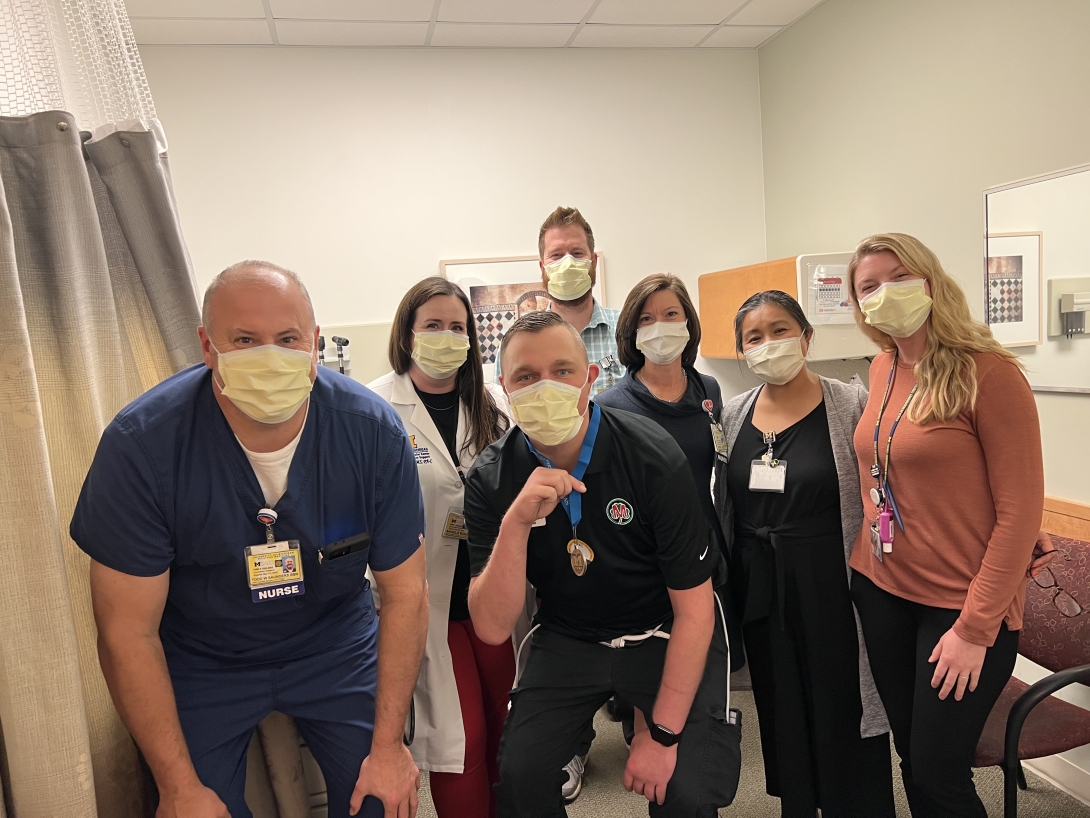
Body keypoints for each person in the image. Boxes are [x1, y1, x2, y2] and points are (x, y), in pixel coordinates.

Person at [70, 261, 428, 818]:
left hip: (333, 644)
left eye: (287, 339)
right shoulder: (143, 448)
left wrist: (389, 749)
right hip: (203, 656)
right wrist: (178, 787)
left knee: (381, 798)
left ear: (314, 344)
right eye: (244, 340)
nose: (269, 356)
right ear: (208, 347)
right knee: (193, 808)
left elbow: (406, 594)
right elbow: (126, 631)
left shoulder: (371, 434)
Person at [464, 310, 737, 818]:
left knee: (684, 788)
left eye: (563, 370)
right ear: (503, 386)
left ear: (590, 378)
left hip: (664, 629)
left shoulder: (654, 457)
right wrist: (516, 524)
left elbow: (696, 614)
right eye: (525, 376)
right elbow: (492, 626)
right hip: (569, 635)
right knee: (520, 777)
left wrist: (661, 734)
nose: (545, 386)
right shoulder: (491, 478)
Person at [845, 234, 1045, 818]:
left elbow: (1019, 513)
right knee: (911, 757)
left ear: (931, 280)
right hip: (883, 591)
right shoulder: (882, 366)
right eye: (869, 287)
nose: (886, 293)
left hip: (959, 610)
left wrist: (975, 629)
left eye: (898, 276)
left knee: (938, 773)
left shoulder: (990, 373)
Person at [712, 290, 895, 818]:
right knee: (782, 708)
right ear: (742, 350)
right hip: (762, 590)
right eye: (754, 337)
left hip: (833, 584)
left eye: (779, 331)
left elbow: (888, 489)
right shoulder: (733, 414)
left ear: (807, 337)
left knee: (845, 707)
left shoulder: (849, 403)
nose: (768, 344)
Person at [368, 277, 517, 818]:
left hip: (490, 600)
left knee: (507, 730)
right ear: (407, 334)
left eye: (458, 326)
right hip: (427, 605)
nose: (447, 336)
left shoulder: (496, 405)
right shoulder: (375, 406)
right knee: (461, 741)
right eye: (433, 325)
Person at [595, 273, 743, 744]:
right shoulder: (611, 406)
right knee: (651, 687)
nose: (660, 326)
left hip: (703, 554)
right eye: (646, 318)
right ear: (631, 334)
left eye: (670, 314)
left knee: (702, 682)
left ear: (688, 323)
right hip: (645, 565)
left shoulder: (709, 391)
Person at [494, 206, 624, 397]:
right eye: (556, 255)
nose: (568, 263)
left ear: (594, 261)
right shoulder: (515, 342)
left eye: (577, 253)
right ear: (543, 267)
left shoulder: (626, 330)